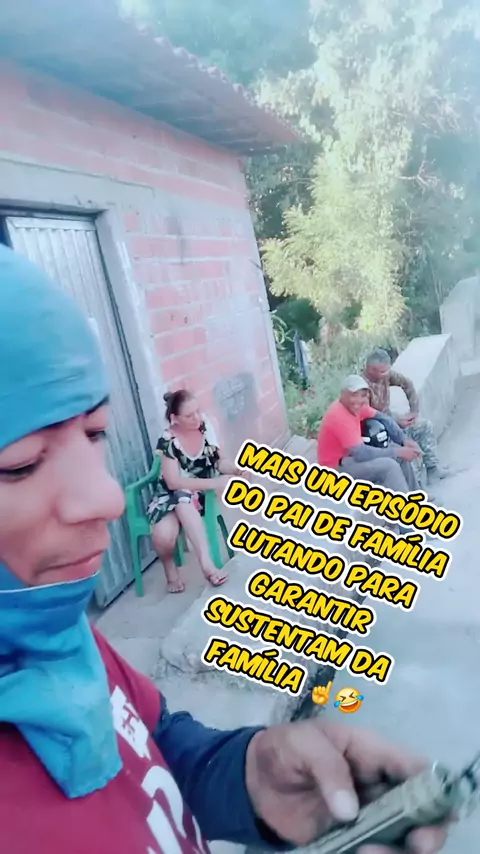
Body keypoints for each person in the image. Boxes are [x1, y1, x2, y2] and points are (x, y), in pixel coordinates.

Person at [0, 244, 448, 854]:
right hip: (184, 497)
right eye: (20, 464)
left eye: (94, 432)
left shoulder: (62, 641)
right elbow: (180, 482)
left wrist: (247, 776)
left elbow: (156, 742)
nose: (103, 496)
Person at [147, 390, 241, 593]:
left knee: (183, 499)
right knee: (163, 536)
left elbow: (220, 461)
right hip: (168, 495)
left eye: (198, 411)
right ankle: (169, 569)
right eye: (189, 416)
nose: (197, 418)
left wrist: (234, 469)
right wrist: (215, 483)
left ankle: (207, 565)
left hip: (196, 495)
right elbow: (173, 482)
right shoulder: (168, 440)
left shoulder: (206, 427)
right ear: (175, 418)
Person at [317, 375, 422, 493]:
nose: (358, 400)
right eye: (353, 395)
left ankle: (417, 494)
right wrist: (398, 452)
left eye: (363, 395)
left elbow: (384, 419)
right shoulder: (339, 417)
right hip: (335, 469)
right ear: (343, 395)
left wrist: (403, 440)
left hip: (350, 456)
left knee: (399, 453)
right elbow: (361, 453)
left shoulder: (356, 406)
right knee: (389, 466)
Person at [363, 349, 449, 483]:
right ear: (370, 369)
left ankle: (433, 469)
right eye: (382, 372)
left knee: (424, 426)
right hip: (377, 432)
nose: (386, 374)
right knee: (406, 450)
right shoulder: (362, 387)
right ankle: (416, 487)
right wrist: (395, 421)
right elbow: (367, 416)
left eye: (387, 370)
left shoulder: (386, 376)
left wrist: (413, 411)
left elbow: (407, 383)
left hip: (391, 420)